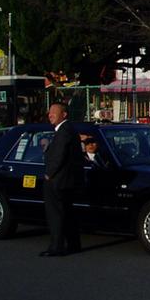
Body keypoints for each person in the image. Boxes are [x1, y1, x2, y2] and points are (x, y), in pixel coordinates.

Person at [41, 102, 85, 256]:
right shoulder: (67, 130)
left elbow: (59, 155)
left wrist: (49, 174)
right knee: (67, 213)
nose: (50, 115)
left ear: (64, 114)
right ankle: (73, 244)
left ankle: (56, 247)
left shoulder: (64, 131)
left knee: (56, 215)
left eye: (54, 112)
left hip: (59, 181)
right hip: (66, 180)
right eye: (49, 112)